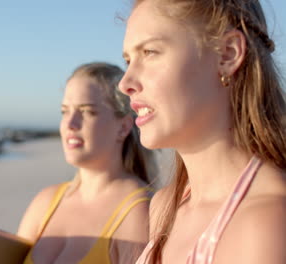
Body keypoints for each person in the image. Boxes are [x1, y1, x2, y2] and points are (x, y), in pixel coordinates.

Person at [118, 0, 286, 263]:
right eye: (128, 60)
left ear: (228, 54)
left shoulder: (265, 223)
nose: (125, 83)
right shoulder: (165, 206)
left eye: (149, 52)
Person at [17, 62, 155, 264]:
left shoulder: (139, 212)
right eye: (65, 111)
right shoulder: (45, 202)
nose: (70, 124)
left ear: (123, 127)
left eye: (87, 111)